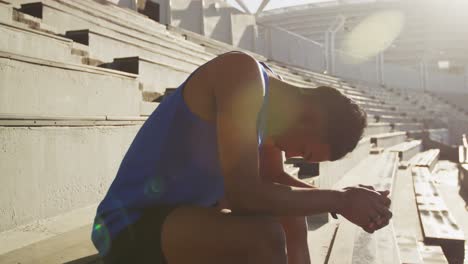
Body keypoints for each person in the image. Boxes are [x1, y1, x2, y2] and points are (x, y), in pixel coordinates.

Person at [91, 51, 392, 264]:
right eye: (307, 151)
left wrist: (350, 201)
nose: (295, 156)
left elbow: (272, 177)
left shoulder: (274, 108)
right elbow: (245, 196)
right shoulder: (241, 74)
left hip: (182, 220)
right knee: (263, 236)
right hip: (129, 227)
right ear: (310, 118)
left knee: (291, 217)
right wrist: (339, 200)